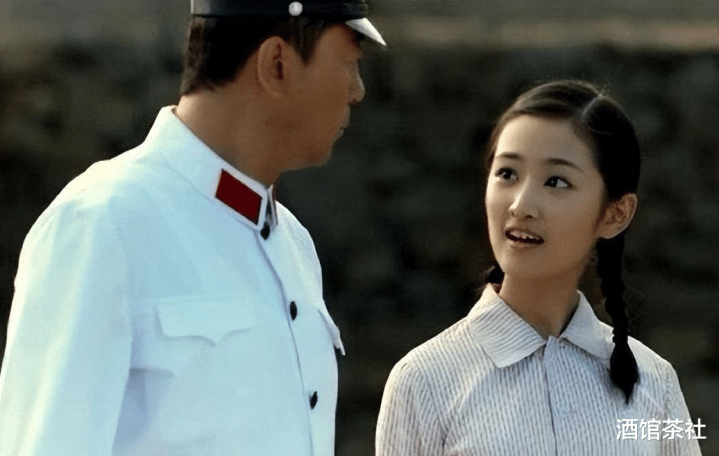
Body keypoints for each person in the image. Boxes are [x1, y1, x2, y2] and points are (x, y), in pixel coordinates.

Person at [0, 1, 385, 455]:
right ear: (276, 64)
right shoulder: (102, 224)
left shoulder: (294, 243)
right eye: (348, 63)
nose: (357, 90)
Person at [375, 80, 702, 455]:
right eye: (507, 174)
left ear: (616, 213)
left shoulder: (655, 382)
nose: (520, 205)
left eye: (556, 181)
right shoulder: (424, 381)